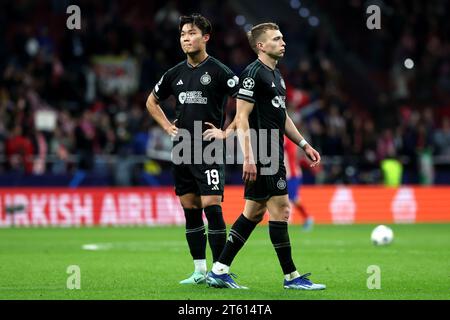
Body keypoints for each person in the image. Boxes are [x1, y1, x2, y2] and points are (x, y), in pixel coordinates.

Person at [206, 22, 326, 290]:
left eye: (282, 37)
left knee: (253, 212)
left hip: (272, 150)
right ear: (261, 46)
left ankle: (219, 269)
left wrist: (304, 143)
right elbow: (242, 117)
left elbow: (281, 117)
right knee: (281, 210)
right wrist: (248, 157)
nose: (283, 42)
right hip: (261, 152)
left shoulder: (277, 76)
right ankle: (291, 277)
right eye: (276, 38)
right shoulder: (253, 74)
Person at [146, 14, 238, 285]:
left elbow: (247, 100)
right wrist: (166, 126)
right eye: (183, 34)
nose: (186, 38)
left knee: (212, 206)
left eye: (192, 33)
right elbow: (152, 102)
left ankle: (220, 272)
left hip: (208, 147)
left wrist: (227, 131)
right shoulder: (174, 74)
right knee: (190, 209)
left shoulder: (220, 71)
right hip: (183, 148)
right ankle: (199, 271)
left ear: (205, 37)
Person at [284, 136, 314, 230]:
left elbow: (287, 156)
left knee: (292, 198)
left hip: (291, 175)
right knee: (292, 199)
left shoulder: (284, 138)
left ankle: (306, 218)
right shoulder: (289, 137)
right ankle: (306, 218)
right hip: (292, 173)